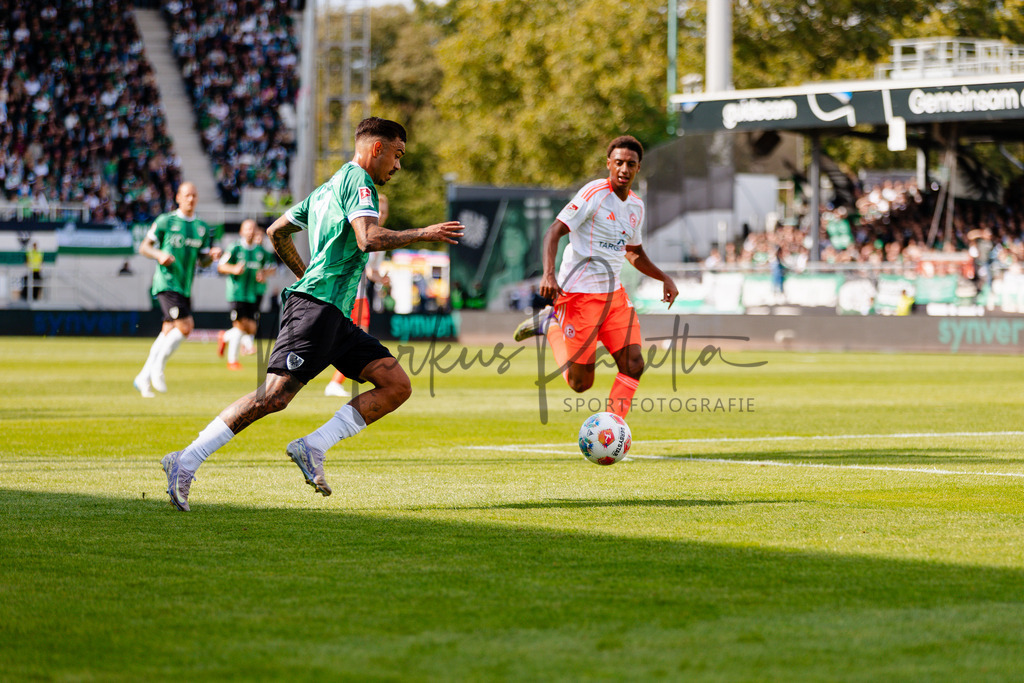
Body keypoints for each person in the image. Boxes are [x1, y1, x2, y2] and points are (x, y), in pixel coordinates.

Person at [160, 117, 464, 511]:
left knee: (396, 385)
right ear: (377, 148)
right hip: (317, 309)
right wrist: (424, 232)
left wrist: (307, 277)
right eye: (397, 154)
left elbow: (276, 232)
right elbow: (368, 238)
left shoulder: (326, 188)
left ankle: (313, 445)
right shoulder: (359, 182)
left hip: (331, 312)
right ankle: (185, 460)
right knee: (272, 397)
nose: (398, 165)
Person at [513, 135, 678, 418]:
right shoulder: (593, 194)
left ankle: (611, 430)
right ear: (608, 165)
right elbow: (554, 231)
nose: (624, 169)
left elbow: (633, 252)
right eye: (618, 163)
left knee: (634, 364)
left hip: (614, 298)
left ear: (638, 168)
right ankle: (550, 326)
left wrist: (664, 277)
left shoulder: (636, 207)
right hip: (578, 297)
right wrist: (549, 275)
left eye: (630, 164)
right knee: (581, 384)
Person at [133, 182, 221, 398]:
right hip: (167, 282)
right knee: (185, 326)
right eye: (187, 195)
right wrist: (159, 255)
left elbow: (203, 262)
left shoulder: (201, 227)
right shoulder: (166, 220)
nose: (191, 199)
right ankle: (157, 369)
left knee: (167, 331)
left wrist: (212, 256)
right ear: (178, 198)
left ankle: (142, 378)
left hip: (185, 286)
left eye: (194, 195)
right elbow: (144, 247)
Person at [324, 194, 390, 397]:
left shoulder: (382, 238)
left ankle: (336, 382)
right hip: (347, 294)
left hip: (360, 297)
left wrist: (382, 279)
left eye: (384, 211)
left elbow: (371, 271)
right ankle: (335, 382)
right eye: (378, 209)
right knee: (349, 339)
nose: (380, 214)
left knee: (357, 338)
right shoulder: (357, 230)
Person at [216, 218, 275, 370]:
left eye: (253, 229)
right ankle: (232, 361)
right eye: (247, 229)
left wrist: (264, 274)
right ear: (241, 231)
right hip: (237, 294)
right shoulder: (234, 248)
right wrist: (233, 269)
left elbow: (272, 268)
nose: (250, 232)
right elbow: (221, 266)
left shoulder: (261, 252)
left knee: (251, 328)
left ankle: (224, 337)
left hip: (252, 294)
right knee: (241, 326)